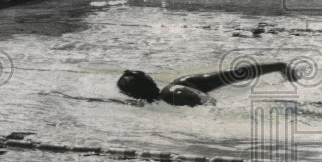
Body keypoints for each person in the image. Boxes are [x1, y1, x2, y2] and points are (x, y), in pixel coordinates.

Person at [118, 62, 300, 107]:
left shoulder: (173, 93)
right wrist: (278, 66)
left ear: (131, 95)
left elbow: (209, 103)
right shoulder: (181, 83)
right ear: (150, 80)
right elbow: (234, 74)